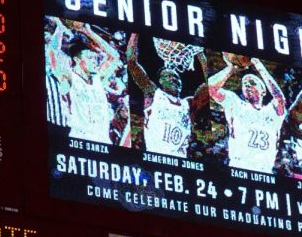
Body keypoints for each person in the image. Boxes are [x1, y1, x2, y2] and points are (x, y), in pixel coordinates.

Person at [45, 17, 128, 145]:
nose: (94, 61)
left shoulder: (98, 79)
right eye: (89, 57)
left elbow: (114, 56)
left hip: (103, 139)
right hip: (80, 138)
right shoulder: (70, 77)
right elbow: (52, 52)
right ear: (78, 60)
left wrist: (88, 32)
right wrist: (61, 28)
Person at [126, 33, 206, 157]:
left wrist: (201, 55)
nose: (174, 79)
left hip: (180, 162)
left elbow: (210, 85)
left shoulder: (188, 103)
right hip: (156, 158)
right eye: (168, 76)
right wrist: (135, 33)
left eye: (176, 77)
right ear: (161, 82)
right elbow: (132, 63)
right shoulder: (153, 93)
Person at [209, 54, 286, 174]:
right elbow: (210, 89)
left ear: (263, 91)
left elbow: (279, 98)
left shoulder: (272, 111)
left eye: (252, 82)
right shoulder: (235, 103)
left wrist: (259, 66)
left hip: (265, 170)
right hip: (240, 166)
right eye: (244, 84)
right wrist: (230, 69)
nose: (247, 85)